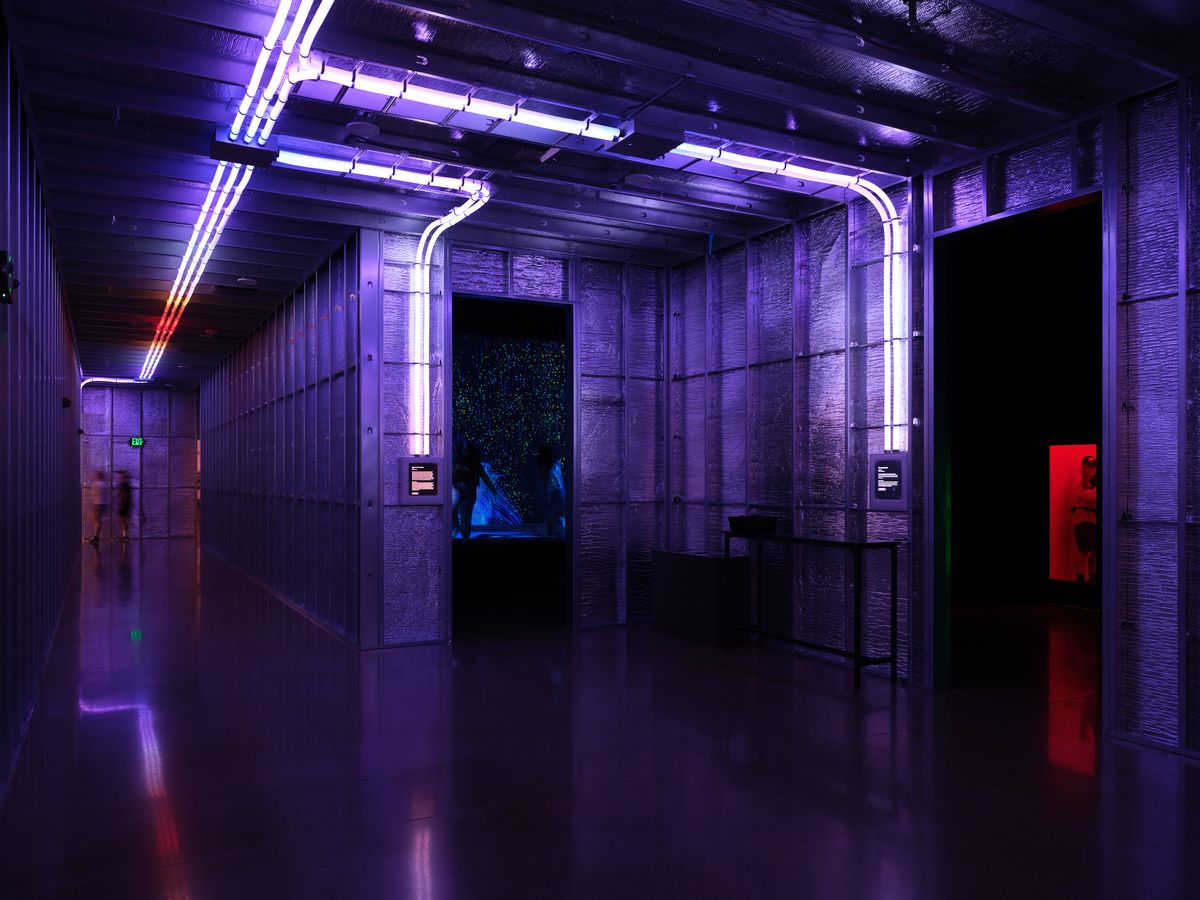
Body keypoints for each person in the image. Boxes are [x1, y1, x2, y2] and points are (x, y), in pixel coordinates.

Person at [452, 436, 494, 540]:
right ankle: (458, 529)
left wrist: (493, 489)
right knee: (459, 512)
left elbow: (483, 475)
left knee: (465, 516)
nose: (465, 452)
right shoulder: (456, 458)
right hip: (460, 489)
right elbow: (483, 475)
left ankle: (463, 535)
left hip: (467, 491)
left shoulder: (472, 462)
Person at [1070, 454, 1098, 583]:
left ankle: (1093, 577)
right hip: (1083, 520)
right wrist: (1088, 475)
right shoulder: (1083, 480)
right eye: (1089, 465)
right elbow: (1089, 497)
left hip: (1093, 519)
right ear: (1083, 466)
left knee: (1095, 550)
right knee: (1084, 550)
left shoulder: (1094, 480)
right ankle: (1080, 578)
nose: (1092, 468)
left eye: (1094, 465)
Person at [88, 469, 107, 544]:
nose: (94, 476)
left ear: (98, 476)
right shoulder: (105, 484)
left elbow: (93, 494)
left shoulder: (96, 484)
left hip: (97, 503)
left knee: (96, 520)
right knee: (98, 520)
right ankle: (96, 536)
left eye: (96, 475)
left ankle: (96, 537)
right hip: (103, 504)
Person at [116, 470, 133, 540]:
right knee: (122, 519)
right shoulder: (124, 483)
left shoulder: (125, 484)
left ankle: (125, 535)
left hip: (124, 504)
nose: (118, 476)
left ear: (123, 475)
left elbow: (125, 494)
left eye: (120, 474)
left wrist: (121, 501)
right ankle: (124, 535)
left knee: (123, 519)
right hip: (124, 504)